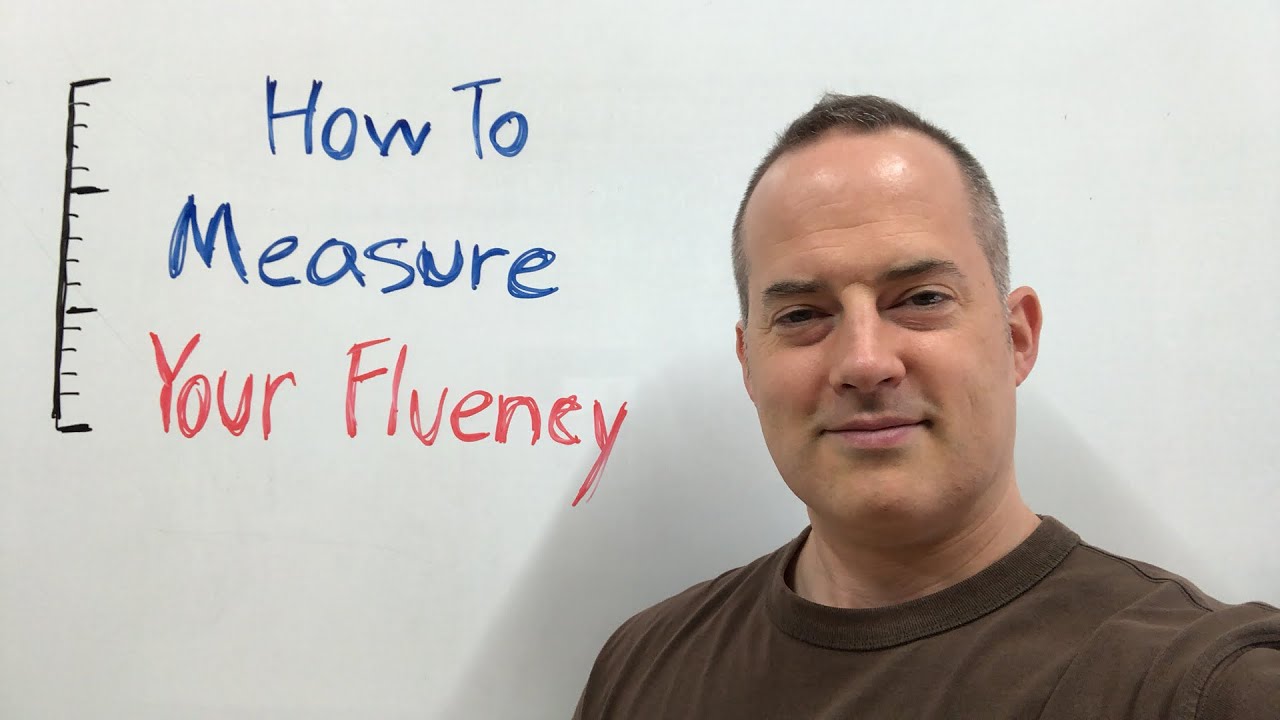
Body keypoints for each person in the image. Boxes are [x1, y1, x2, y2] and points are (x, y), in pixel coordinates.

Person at [572, 94, 1280, 719]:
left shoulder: (1207, 689)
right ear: (748, 364)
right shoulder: (644, 668)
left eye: (921, 299)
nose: (865, 362)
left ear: (1016, 337)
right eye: (802, 314)